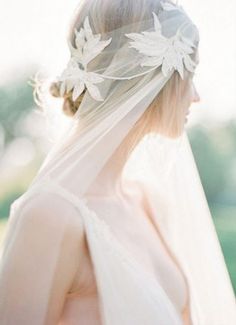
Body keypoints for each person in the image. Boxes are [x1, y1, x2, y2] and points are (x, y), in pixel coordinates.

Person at [0, 1, 236, 324]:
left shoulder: (147, 200)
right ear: (149, 75)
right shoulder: (50, 217)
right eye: (189, 73)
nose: (195, 95)